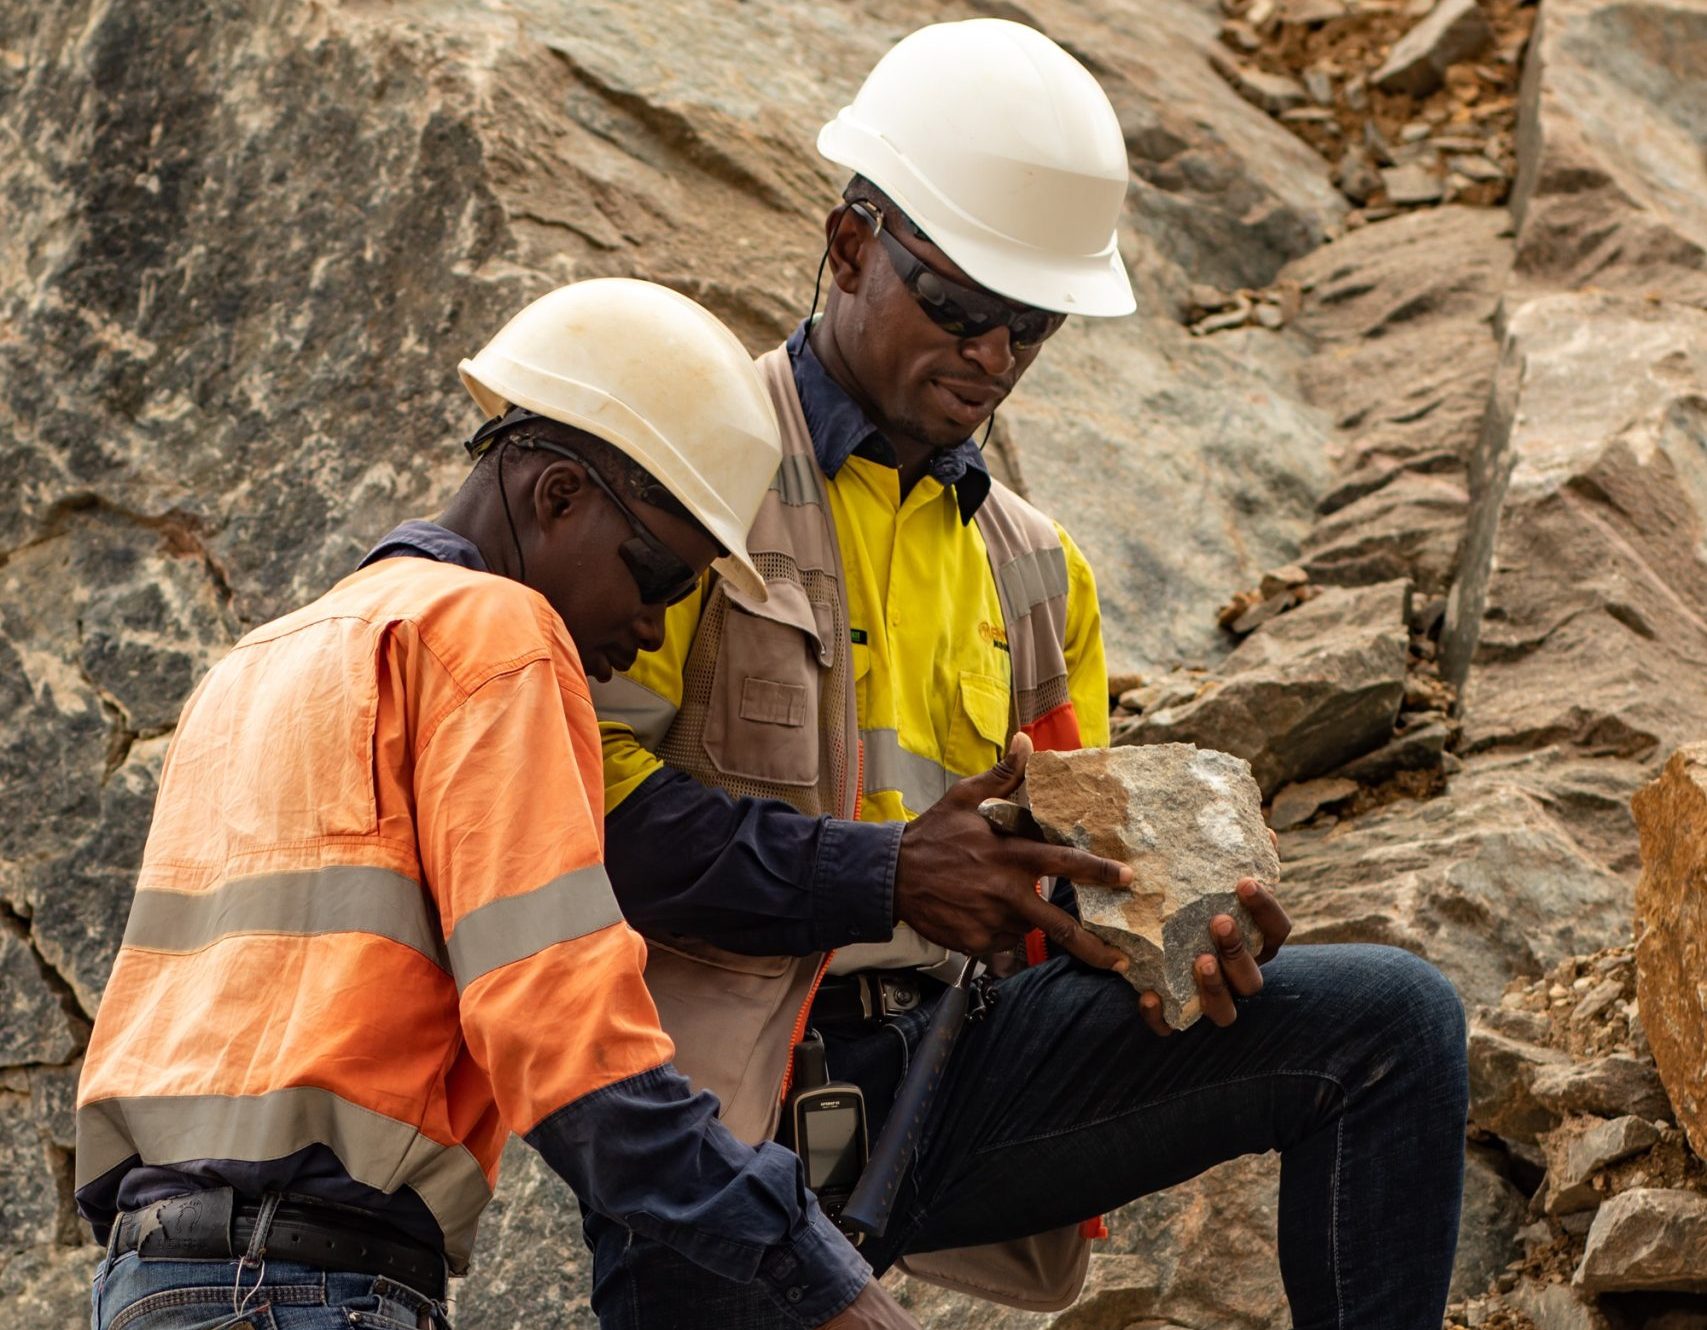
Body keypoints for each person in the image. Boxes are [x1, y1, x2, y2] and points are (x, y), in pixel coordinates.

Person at [590, 19, 1470, 1330]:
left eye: (1030, 327)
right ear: (847, 248)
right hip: (707, 1109)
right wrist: (883, 872)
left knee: (1388, 1022)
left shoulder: (1035, 570)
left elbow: (1072, 864)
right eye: (956, 307)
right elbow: (569, 815)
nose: (991, 358)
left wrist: (1173, 931)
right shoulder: (691, 475)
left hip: (949, 1076)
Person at [75, 279, 923, 1329]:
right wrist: (814, 1270)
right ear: (559, 494)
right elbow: (571, 1048)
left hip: (154, 1282)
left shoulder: (257, 663)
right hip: (308, 1284)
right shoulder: (494, 636)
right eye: (655, 575)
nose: (657, 629)